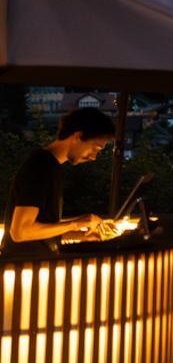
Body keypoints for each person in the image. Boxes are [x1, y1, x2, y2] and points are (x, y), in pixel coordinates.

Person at [3, 107, 119, 256]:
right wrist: (75, 224)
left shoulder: (52, 166)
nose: (93, 157)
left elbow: (40, 231)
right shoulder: (40, 165)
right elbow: (20, 232)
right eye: (95, 148)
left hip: (34, 266)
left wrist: (82, 236)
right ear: (78, 136)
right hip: (23, 269)